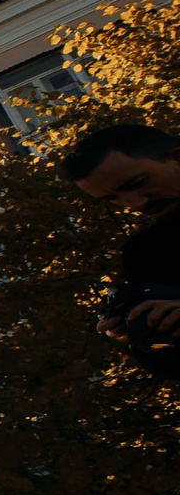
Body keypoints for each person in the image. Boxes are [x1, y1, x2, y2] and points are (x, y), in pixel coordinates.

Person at [62, 123, 180, 375]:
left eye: (137, 182)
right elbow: (169, 367)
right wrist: (138, 333)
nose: (135, 203)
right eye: (112, 199)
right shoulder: (145, 254)